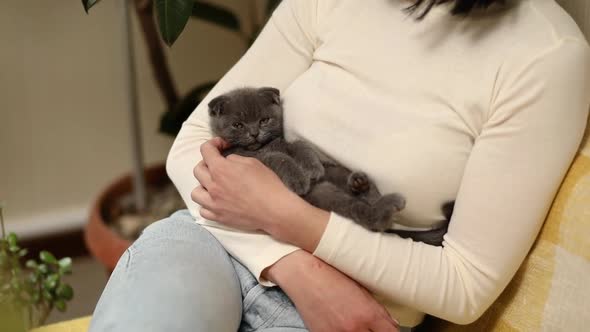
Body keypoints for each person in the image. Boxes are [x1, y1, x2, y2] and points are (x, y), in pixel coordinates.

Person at [89, 0, 590, 331]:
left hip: (351, 316)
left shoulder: (546, 57)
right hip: (215, 244)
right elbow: (195, 141)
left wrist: (293, 219)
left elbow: (465, 283)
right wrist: (295, 264)